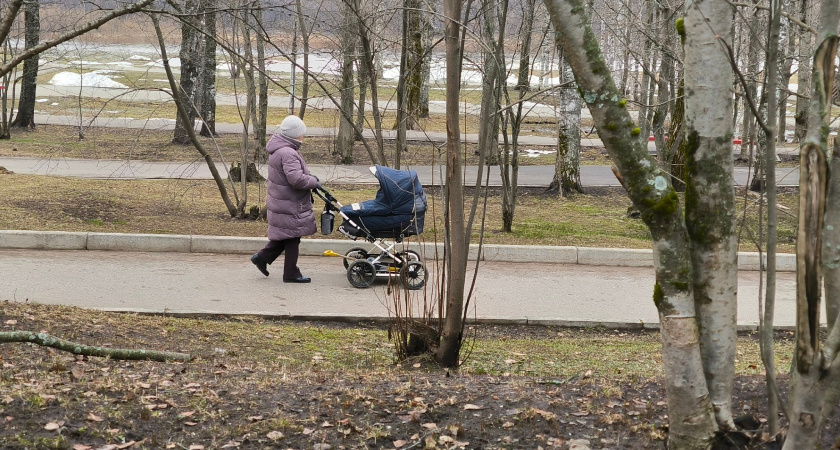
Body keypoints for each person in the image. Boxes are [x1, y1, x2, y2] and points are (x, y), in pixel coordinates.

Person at [250, 115, 320, 283]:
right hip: (289, 203)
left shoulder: (282, 150)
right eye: (302, 133)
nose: (303, 136)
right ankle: (291, 273)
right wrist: (314, 181)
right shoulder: (288, 153)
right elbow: (297, 180)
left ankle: (262, 257)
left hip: (283, 200)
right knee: (293, 236)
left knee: (288, 235)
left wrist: (310, 178)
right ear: (295, 134)